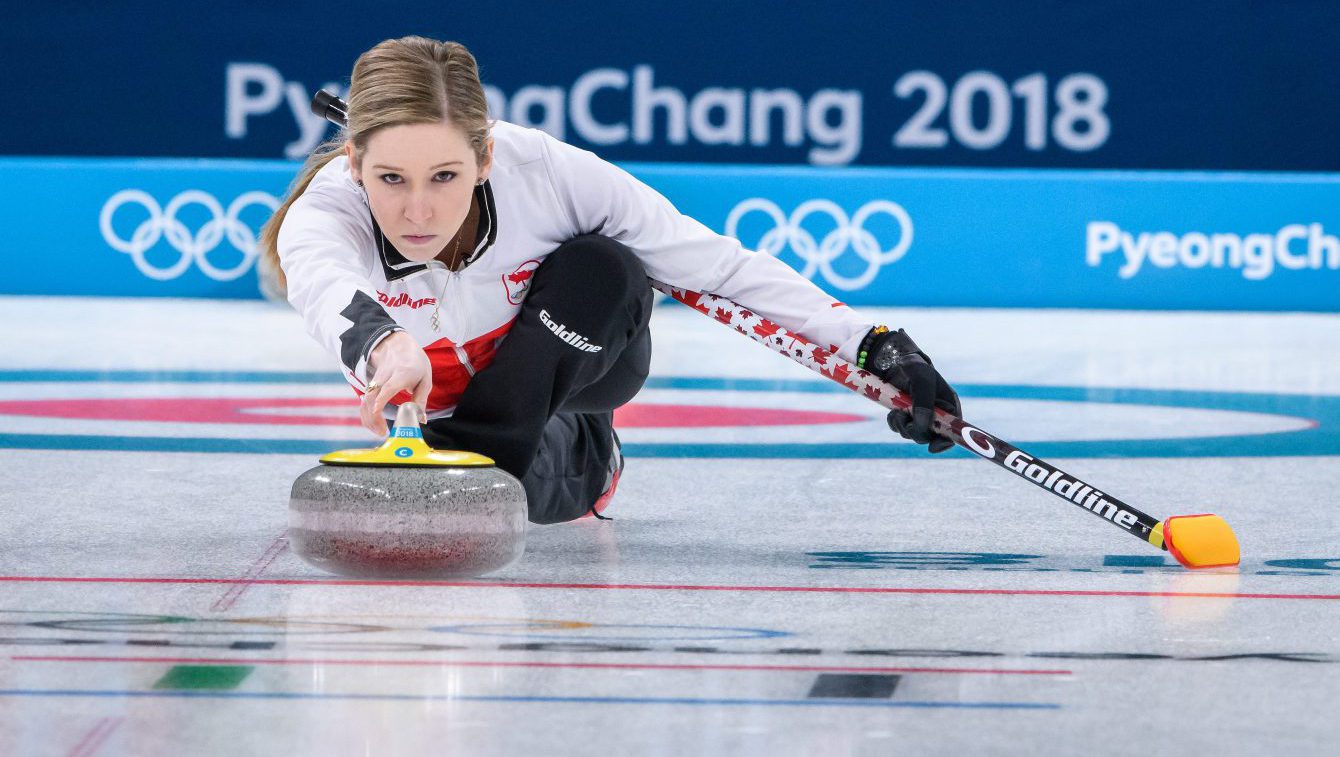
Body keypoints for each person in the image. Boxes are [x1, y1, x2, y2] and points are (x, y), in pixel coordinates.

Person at [258, 36, 960, 525]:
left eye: (445, 176)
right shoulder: (324, 212)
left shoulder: (552, 175)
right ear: (353, 164)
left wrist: (875, 344)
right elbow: (329, 292)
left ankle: (506, 463)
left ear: (486, 157)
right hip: (453, 412)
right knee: (524, 476)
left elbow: (717, 266)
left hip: (582, 364)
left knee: (607, 266)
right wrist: (388, 348)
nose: (419, 210)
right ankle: (496, 460)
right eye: (390, 179)